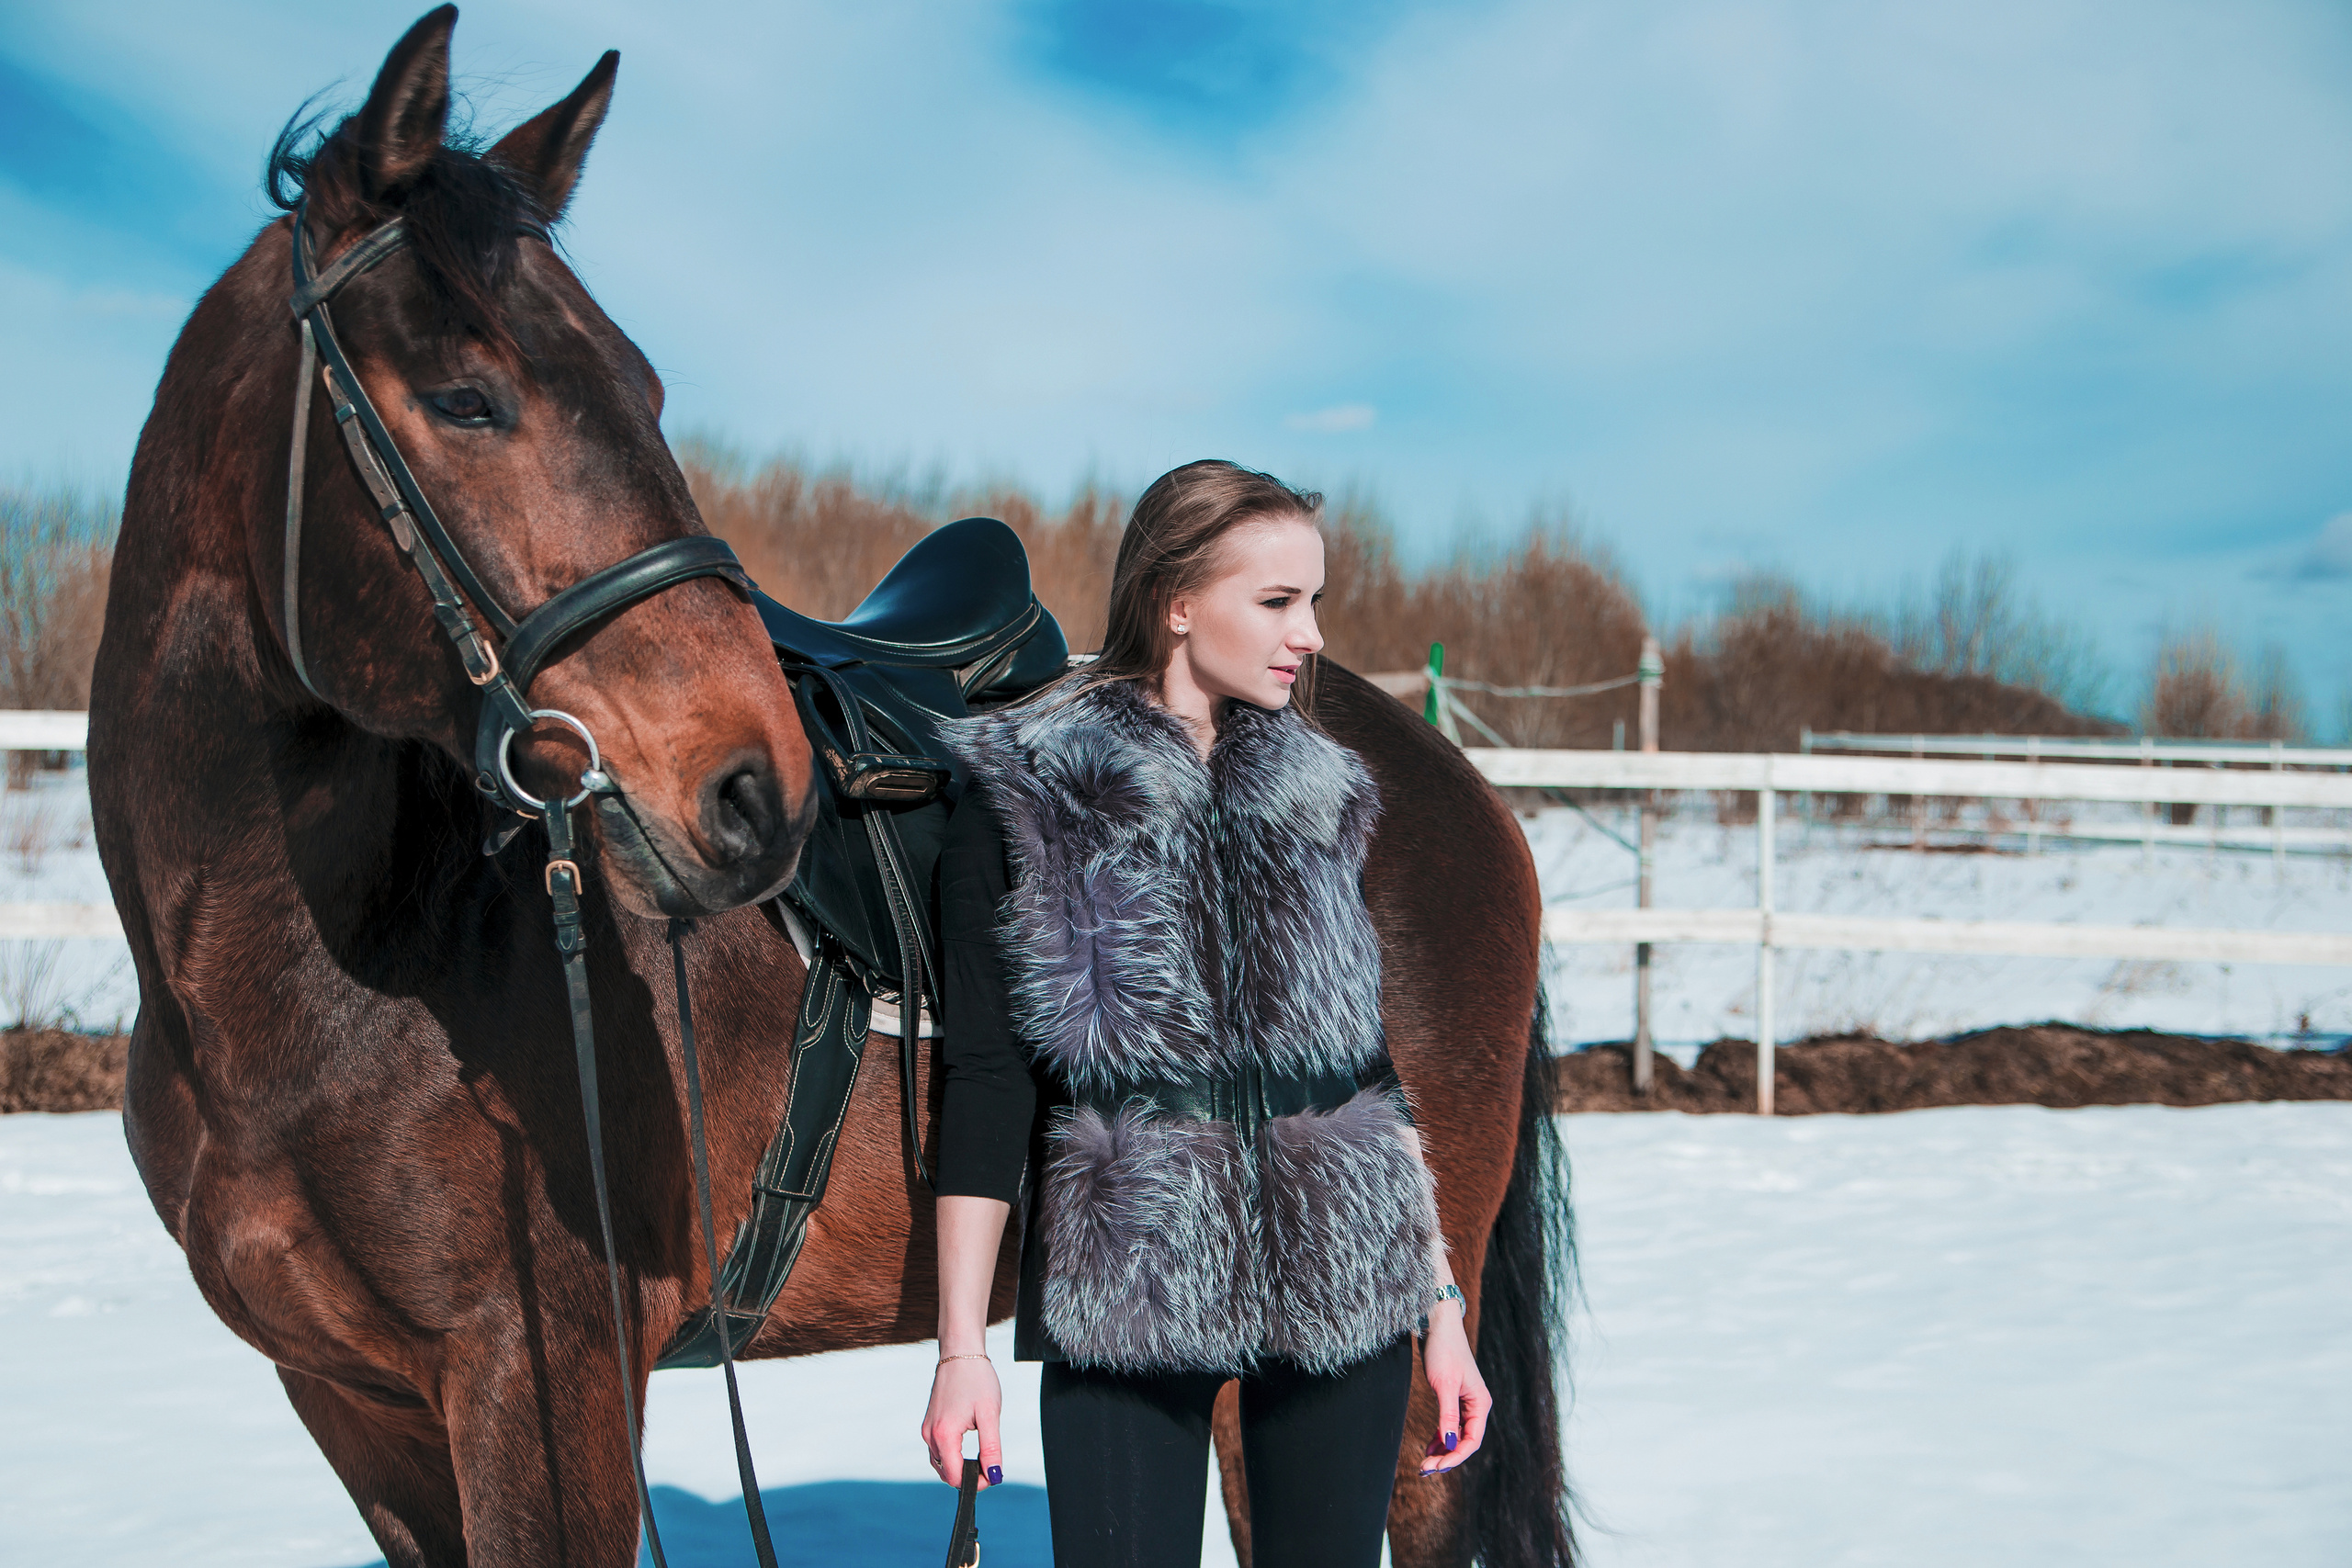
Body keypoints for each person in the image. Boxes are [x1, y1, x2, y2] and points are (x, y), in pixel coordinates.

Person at [918, 459, 1489, 1568]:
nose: (1311, 634)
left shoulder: (1323, 792)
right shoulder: (1027, 796)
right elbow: (987, 1080)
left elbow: (1362, 1068)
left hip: (1346, 1278)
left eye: (1313, 601)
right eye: (1277, 602)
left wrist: (1442, 1302)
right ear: (1176, 604)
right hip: (1126, 1282)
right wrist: (959, 1353)